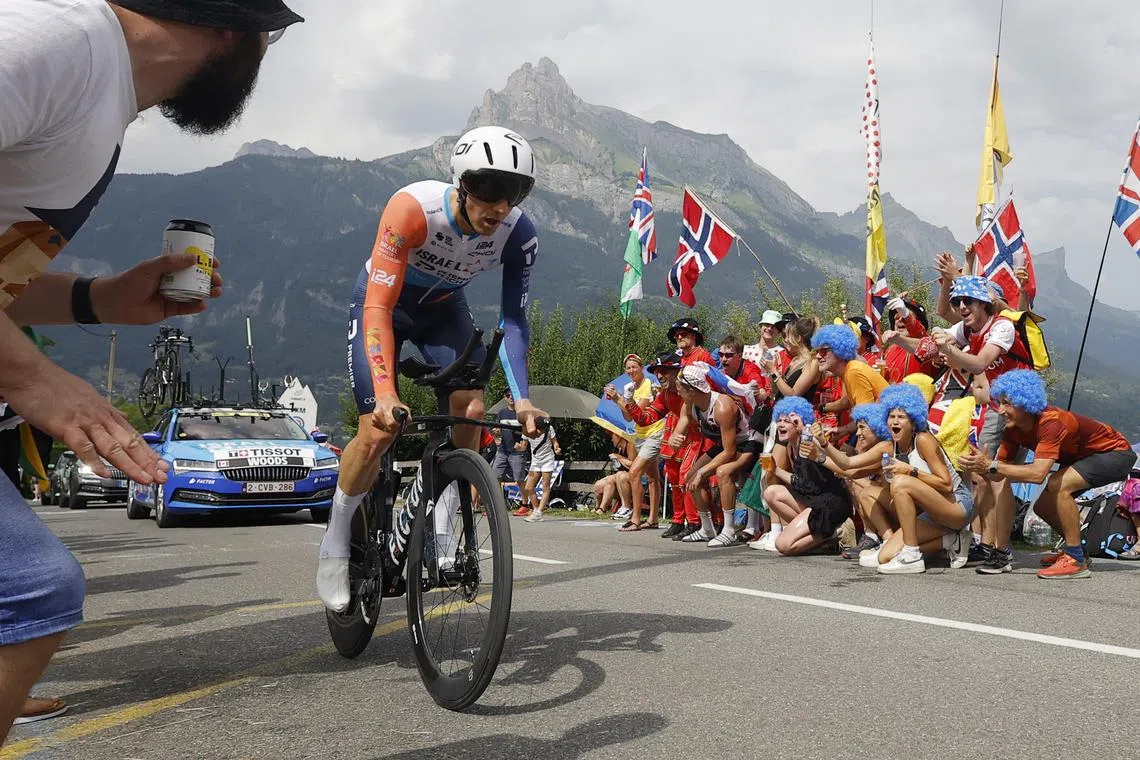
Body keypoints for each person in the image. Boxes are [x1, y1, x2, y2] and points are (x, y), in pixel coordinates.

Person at [0, 0, 299, 743]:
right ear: (235, 31)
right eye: (268, 35)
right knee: (29, 590)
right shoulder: (58, 46)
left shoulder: (100, 95)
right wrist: (29, 377)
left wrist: (98, 298)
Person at [318, 126, 550, 612]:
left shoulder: (518, 233)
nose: (499, 206)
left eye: (514, 193)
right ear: (462, 184)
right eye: (488, 190)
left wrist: (523, 398)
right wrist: (386, 391)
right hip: (385, 307)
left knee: (471, 407)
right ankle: (336, 539)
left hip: (445, 309)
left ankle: (444, 519)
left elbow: (513, 320)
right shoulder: (412, 210)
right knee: (377, 434)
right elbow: (378, 307)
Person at [960, 370, 1138, 579]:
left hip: (1116, 453)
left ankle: (1075, 560)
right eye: (999, 403)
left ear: (1025, 403)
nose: (1000, 410)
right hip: (1083, 458)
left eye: (1007, 403)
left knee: (1058, 484)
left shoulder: (1051, 422)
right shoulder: (1013, 429)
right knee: (1043, 507)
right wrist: (981, 468)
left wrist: (992, 466)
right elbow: (1000, 474)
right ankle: (1079, 551)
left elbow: (1037, 474)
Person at [834, 384, 973, 574]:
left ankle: (912, 555)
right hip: (930, 514)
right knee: (884, 557)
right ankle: (950, 540)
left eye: (901, 417)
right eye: (891, 416)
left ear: (913, 421)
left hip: (956, 505)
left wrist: (910, 471)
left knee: (900, 482)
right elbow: (848, 464)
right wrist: (821, 449)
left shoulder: (923, 440)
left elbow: (947, 485)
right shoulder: (890, 447)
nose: (895, 422)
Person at [618, 351, 703, 540]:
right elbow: (644, 419)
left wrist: (677, 433)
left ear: (676, 371)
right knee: (673, 477)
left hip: (696, 436)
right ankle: (679, 521)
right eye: (657, 371)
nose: (659, 375)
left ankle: (696, 522)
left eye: (664, 371)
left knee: (687, 478)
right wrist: (629, 401)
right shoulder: (664, 395)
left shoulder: (688, 389)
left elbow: (687, 416)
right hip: (675, 436)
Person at [675, 364, 760, 547]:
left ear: (691, 390)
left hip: (747, 444)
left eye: (680, 390)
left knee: (723, 472)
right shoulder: (691, 404)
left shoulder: (722, 407)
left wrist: (703, 472)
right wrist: (676, 435)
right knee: (690, 475)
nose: (678, 394)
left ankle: (728, 530)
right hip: (725, 445)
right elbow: (684, 418)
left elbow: (729, 452)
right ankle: (707, 529)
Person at [761, 397, 853, 555]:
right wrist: (775, 470)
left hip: (830, 503)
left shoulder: (810, 440)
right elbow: (801, 481)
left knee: (783, 545)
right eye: (780, 420)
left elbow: (825, 457)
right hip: (812, 499)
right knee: (771, 492)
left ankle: (835, 532)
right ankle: (823, 534)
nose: (781, 424)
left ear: (799, 423)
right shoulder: (792, 446)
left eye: (787, 420)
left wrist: (804, 429)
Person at [610, 354, 663, 531]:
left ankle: (635, 519)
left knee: (634, 472)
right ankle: (653, 519)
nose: (631, 370)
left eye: (634, 367)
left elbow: (637, 411)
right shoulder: (631, 387)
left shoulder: (648, 384)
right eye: (628, 368)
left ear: (641, 368)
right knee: (653, 478)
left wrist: (618, 398)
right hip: (641, 434)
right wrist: (620, 400)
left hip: (654, 432)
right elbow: (627, 416)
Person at [490, 390, 528, 514]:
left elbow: (528, 431)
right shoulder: (501, 413)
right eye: (507, 395)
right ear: (505, 398)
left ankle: (525, 504)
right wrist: (496, 434)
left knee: (519, 478)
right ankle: (497, 505)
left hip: (516, 451)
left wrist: (522, 442)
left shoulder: (521, 413)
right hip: (502, 449)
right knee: (495, 476)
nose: (510, 397)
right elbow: (497, 430)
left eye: (512, 395)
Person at [521, 422, 561, 523]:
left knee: (546, 487)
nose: (542, 431)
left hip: (547, 459)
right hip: (535, 461)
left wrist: (557, 449)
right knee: (528, 487)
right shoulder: (527, 429)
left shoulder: (549, 428)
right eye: (541, 429)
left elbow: (554, 442)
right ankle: (535, 509)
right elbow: (524, 446)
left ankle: (539, 512)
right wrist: (519, 447)